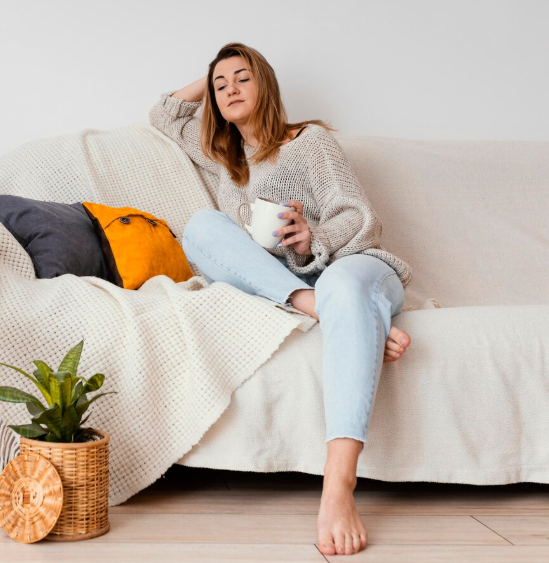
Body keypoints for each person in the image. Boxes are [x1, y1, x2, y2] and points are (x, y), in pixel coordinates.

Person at [149, 42, 414, 557]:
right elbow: (164, 112)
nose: (229, 89)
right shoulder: (224, 160)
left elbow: (361, 217)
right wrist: (216, 74)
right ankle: (330, 314)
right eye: (220, 85)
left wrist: (310, 236)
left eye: (242, 79)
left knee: (340, 287)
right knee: (201, 227)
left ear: (266, 84)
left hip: (352, 268)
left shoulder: (309, 142)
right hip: (293, 286)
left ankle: (339, 487)